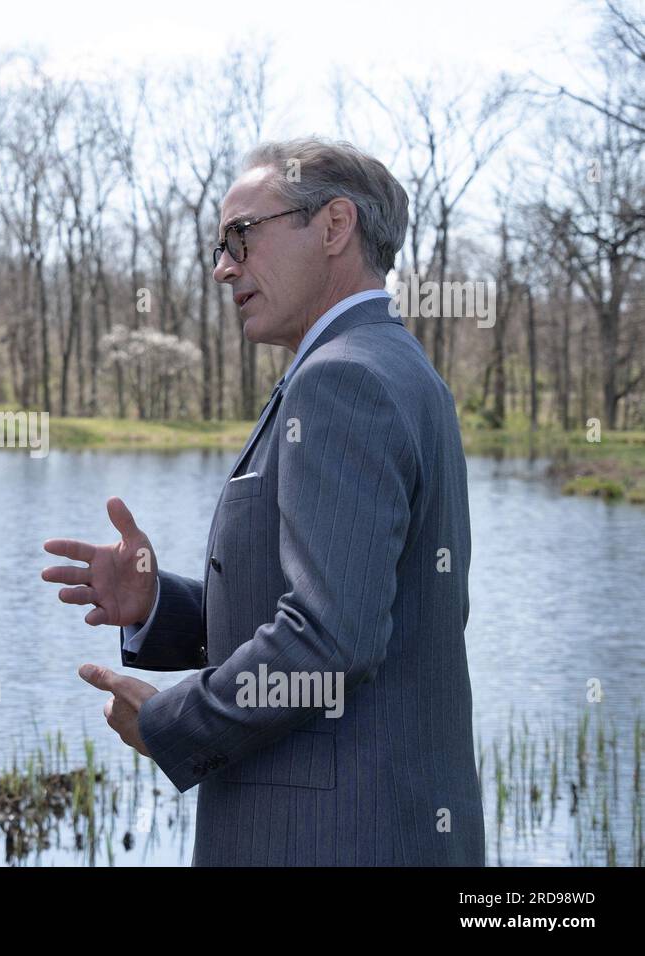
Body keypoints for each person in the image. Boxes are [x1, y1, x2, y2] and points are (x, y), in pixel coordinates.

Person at [43, 138, 484, 866]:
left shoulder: (343, 380)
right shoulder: (395, 367)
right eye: (221, 245)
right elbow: (355, 609)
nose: (223, 267)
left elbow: (330, 641)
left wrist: (174, 720)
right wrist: (161, 605)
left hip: (333, 843)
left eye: (241, 237)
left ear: (334, 226)